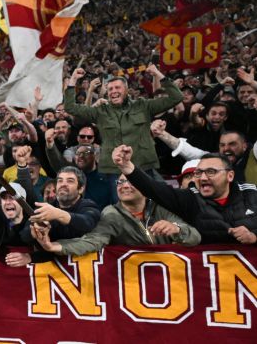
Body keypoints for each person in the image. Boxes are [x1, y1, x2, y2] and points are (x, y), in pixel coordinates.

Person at [64, 65, 182, 190]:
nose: (113, 91)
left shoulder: (143, 106)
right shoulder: (100, 112)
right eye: (110, 89)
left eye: (117, 87)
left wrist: (158, 74)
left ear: (126, 89)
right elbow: (70, 107)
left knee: (156, 202)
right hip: (115, 170)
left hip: (144, 167)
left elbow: (176, 97)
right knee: (122, 205)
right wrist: (73, 81)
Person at [112, 145, 257, 244]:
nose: (203, 178)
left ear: (230, 176)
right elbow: (153, 189)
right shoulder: (190, 198)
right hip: (209, 279)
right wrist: (126, 167)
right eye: (199, 173)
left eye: (211, 172)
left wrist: (254, 237)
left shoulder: (251, 194)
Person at [32, 174, 201, 256]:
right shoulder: (111, 213)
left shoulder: (161, 207)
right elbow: (93, 241)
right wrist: (55, 247)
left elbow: (195, 237)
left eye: (130, 181)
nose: (124, 186)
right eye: (120, 182)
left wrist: (177, 229)